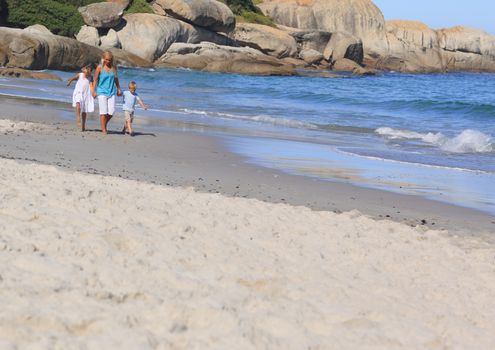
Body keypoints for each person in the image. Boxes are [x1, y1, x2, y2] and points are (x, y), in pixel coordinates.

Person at [92, 51, 122, 134]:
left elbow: (116, 79)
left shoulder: (113, 68)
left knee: (111, 112)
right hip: (101, 92)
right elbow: (95, 80)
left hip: (111, 92)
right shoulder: (99, 68)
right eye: (106, 59)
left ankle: (103, 124)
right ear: (103, 59)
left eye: (109, 60)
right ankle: (104, 130)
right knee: (103, 112)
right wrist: (93, 91)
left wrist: (119, 88)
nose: (108, 61)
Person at [67, 65, 94, 131]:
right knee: (78, 103)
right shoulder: (80, 74)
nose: (89, 72)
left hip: (86, 94)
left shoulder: (91, 77)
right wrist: (70, 81)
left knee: (84, 110)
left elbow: (91, 86)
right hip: (78, 92)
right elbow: (74, 78)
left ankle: (83, 125)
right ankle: (78, 117)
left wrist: (93, 93)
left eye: (90, 71)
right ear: (86, 70)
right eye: (88, 70)